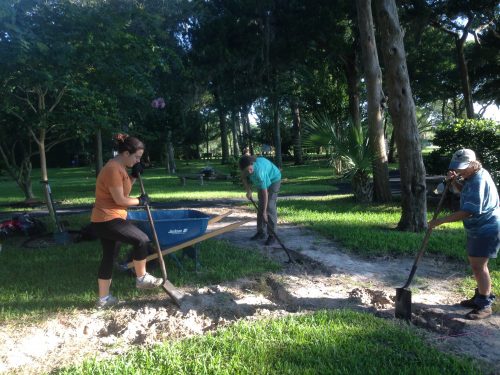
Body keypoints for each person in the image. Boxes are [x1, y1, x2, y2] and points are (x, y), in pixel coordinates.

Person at [90, 134, 162, 309]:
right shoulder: (113, 169)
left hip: (106, 218)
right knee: (141, 239)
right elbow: (120, 200)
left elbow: (124, 189)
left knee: (109, 257)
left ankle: (103, 299)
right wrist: (140, 201)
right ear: (125, 153)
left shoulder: (120, 167)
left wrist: (134, 176)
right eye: (137, 157)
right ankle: (141, 278)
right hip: (107, 218)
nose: (138, 160)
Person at [428, 149, 499, 320]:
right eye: (457, 169)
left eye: (462, 168)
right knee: (477, 264)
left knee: (479, 266)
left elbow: (468, 210)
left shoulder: (478, 180)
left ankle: (485, 304)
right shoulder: (473, 176)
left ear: (473, 164)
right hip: (478, 228)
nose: (459, 171)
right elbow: (464, 192)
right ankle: (480, 296)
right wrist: (454, 182)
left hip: (487, 228)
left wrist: (440, 221)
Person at [239, 155, 281, 246]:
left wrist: (265, 212)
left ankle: (272, 235)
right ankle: (261, 232)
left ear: (252, 164)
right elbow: (243, 178)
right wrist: (248, 190)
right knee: (261, 206)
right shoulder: (246, 171)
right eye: (247, 170)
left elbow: (265, 193)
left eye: (250, 169)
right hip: (263, 179)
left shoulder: (259, 172)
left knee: (269, 206)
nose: (249, 171)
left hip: (274, 179)